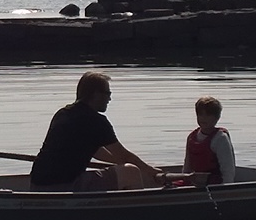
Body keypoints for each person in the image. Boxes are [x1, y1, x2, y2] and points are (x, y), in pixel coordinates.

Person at [28, 70, 163, 191]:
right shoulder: (96, 121)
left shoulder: (63, 113)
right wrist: (151, 172)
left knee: (125, 169)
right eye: (107, 93)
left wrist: (119, 163)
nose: (109, 99)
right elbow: (124, 156)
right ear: (96, 94)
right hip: (67, 185)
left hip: (36, 185)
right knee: (131, 172)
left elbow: (98, 152)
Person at [183, 96, 236, 184]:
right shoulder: (192, 137)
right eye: (200, 114)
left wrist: (227, 190)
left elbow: (228, 170)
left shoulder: (220, 139)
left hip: (214, 183)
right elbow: (187, 167)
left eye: (208, 115)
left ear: (216, 118)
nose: (203, 118)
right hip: (195, 182)